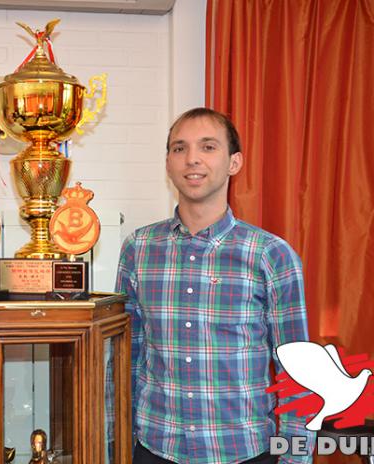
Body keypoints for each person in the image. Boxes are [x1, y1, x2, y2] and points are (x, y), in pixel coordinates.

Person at [115, 108, 315, 464]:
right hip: (155, 449)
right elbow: (126, 359)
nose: (192, 158)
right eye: (180, 148)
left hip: (244, 452)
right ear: (168, 163)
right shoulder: (138, 248)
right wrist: (115, 442)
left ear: (234, 162)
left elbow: (298, 373)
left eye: (208, 147)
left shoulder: (271, 255)